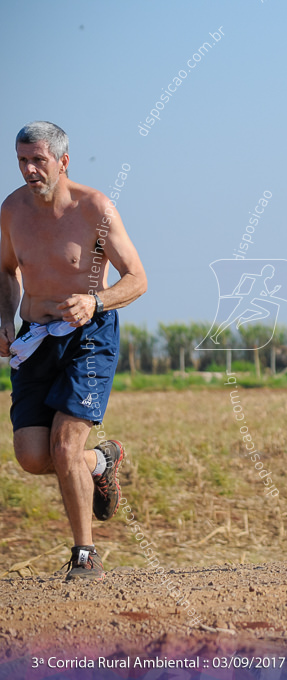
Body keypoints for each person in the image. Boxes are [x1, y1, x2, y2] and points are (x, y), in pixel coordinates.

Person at [0, 122, 147, 580]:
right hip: (35, 337)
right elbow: (6, 272)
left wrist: (96, 300)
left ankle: (85, 555)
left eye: (38, 160)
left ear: (63, 161)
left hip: (89, 336)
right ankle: (101, 462)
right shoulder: (11, 210)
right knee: (32, 456)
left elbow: (137, 278)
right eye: (22, 160)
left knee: (65, 447)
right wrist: (5, 319)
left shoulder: (95, 208)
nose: (29, 169)